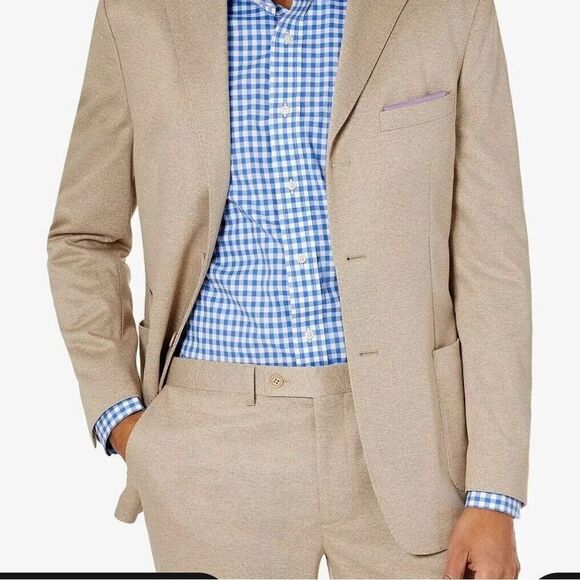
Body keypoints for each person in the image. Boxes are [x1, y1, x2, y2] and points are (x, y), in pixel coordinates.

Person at [48, 0, 531, 577]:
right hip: (209, 444)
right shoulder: (138, 15)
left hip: (415, 447)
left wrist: (494, 494)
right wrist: (121, 417)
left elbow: (492, 263)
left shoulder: (451, 10)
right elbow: (84, 237)